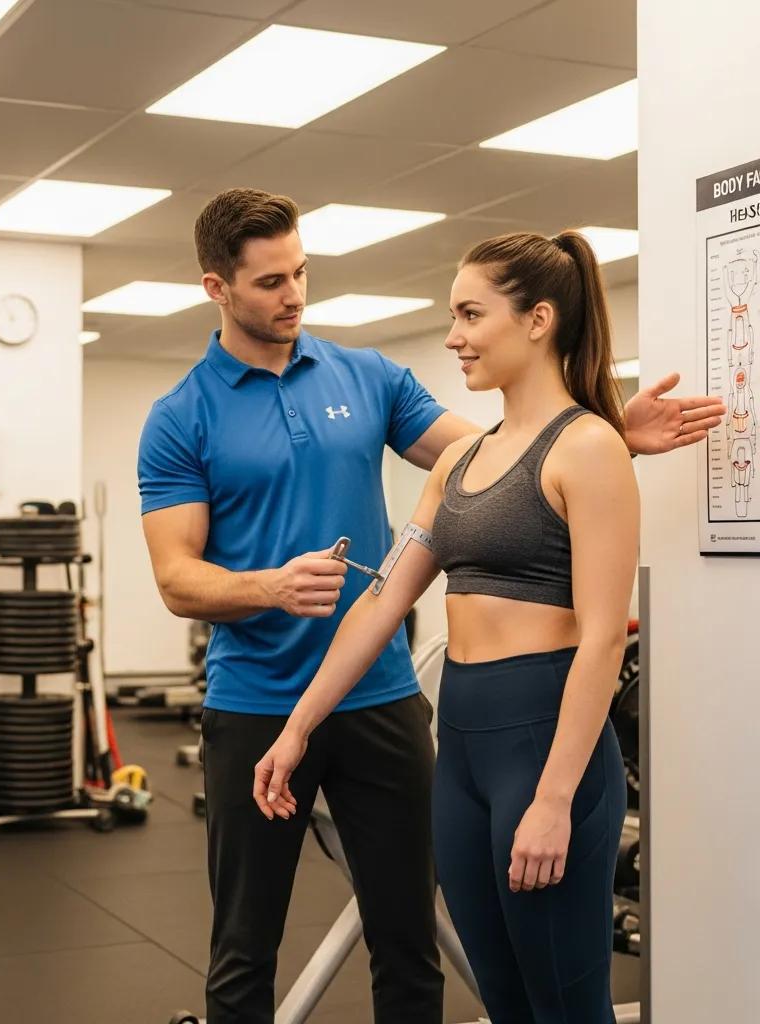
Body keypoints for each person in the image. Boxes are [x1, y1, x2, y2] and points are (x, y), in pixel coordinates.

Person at [138, 188, 722, 1024]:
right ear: (217, 288)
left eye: (300, 272)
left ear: (537, 319)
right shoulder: (182, 417)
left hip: (445, 717)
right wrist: (292, 696)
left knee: (451, 959)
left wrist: (610, 432)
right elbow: (209, 581)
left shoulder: (374, 380)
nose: (294, 294)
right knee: (260, 953)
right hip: (301, 707)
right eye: (271, 281)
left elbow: (529, 482)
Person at [254, 230, 649, 1023]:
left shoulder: (589, 448)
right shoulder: (456, 464)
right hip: (462, 744)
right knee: (502, 997)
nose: (453, 335)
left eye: (471, 314)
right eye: (451, 314)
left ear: (538, 320)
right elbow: (380, 602)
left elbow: (605, 637)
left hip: (545, 743)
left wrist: (555, 798)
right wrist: (299, 725)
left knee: (567, 1005)